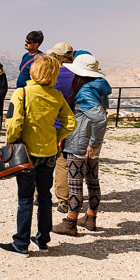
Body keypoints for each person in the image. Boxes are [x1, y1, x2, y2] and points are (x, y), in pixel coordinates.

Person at [0, 55, 76, 257]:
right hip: (49, 152)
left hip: (27, 154)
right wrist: (55, 139)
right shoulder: (57, 96)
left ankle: (21, 243)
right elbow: (70, 123)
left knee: (25, 199)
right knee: (44, 197)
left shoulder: (22, 92)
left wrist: (13, 144)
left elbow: (13, 124)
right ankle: (43, 240)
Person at [52, 54, 111, 236]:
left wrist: (94, 143)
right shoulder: (98, 88)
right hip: (91, 143)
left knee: (75, 184)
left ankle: (70, 222)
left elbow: (100, 119)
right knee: (92, 182)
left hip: (80, 143)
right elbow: (102, 115)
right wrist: (95, 144)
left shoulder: (84, 91)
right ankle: (90, 218)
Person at [46, 42, 75, 213]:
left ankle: (37, 194)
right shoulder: (77, 76)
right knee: (62, 163)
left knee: (41, 160)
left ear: (55, 57)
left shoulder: (50, 75)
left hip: (48, 123)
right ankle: (63, 201)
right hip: (67, 124)